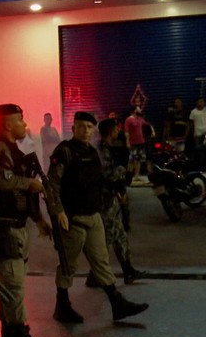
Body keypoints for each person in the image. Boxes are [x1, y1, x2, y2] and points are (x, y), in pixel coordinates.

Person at [47, 111, 149, 324]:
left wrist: (117, 189)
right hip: (73, 219)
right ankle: (62, 306)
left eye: (89, 127)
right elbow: (52, 185)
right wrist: (58, 212)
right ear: (74, 128)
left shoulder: (93, 152)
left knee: (101, 262)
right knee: (69, 265)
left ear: (94, 130)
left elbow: (99, 180)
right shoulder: (65, 151)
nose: (85, 130)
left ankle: (117, 304)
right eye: (81, 126)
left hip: (93, 216)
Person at [0, 103, 56, 337]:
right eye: (20, 120)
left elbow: (22, 191)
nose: (25, 124)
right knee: (13, 287)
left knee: (12, 284)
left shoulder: (14, 150)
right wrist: (29, 183)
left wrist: (38, 219)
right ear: (8, 124)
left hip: (14, 226)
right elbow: (3, 181)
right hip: (3, 228)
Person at [86, 119, 143, 286]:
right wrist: (123, 170)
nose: (118, 131)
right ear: (111, 131)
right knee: (106, 239)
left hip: (111, 199)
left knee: (119, 237)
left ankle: (128, 271)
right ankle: (94, 276)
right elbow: (107, 174)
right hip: (104, 201)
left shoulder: (107, 147)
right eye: (116, 129)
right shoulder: (101, 150)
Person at [123, 106, 152, 182]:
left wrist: (152, 130)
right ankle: (129, 177)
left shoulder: (140, 119)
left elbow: (147, 125)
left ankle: (136, 176)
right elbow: (126, 132)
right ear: (135, 110)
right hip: (133, 143)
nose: (140, 110)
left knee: (138, 160)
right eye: (139, 108)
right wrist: (127, 141)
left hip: (141, 142)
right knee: (132, 160)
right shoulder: (129, 119)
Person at [187, 97, 206, 170]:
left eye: (202, 101)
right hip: (197, 134)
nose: (201, 103)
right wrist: (192, 132)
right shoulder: (193, 112)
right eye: (200, 101)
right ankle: (200, 166)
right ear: (197, 102)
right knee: (198, 150)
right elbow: (191, 123)